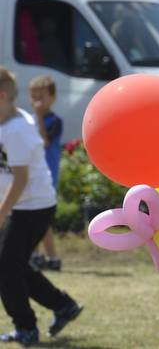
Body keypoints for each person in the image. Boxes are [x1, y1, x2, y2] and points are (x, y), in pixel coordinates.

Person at [0, 66, 83, 345]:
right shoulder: (9, 122)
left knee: (6, 269)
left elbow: (21, 179)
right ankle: (63, 306)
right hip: (26, 206)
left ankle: (26, 328)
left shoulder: (16, 130)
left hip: (31, 208)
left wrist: (1, 215)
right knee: (14, 265)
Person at [27, 76, 63, 272]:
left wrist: (39, 116)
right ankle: (36, 255)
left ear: (52, 97)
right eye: (33, 97)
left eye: (41, 97)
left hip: (48, 175)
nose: (37, 102)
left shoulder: (55, 121)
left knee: (42, 218)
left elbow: (45, 141)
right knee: (32, 215)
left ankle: (51, 256)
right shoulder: (29, 120)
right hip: (33, 174)